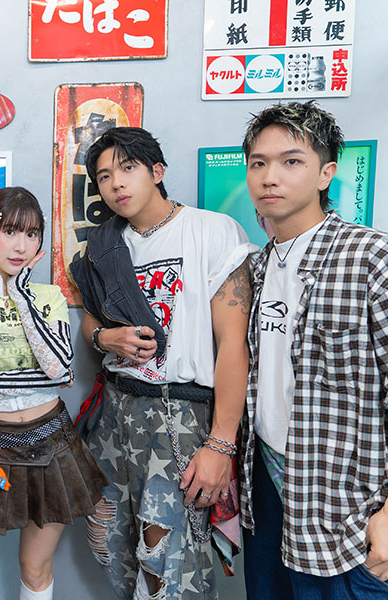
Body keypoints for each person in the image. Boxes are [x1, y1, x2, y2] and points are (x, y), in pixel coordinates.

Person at [70, 126, 252, 599]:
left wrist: (221, 444)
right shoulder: (103, 245)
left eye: (127, 168)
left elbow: (234, 345)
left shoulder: (211, 230)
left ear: (157, 171)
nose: (116, 183)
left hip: (180, 414)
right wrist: (106, 337)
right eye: (104, 176)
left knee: (169, 561)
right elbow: (91, 323)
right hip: (115, 411)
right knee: (111, 544)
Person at [0, 187, 108, 600]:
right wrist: (39, 378)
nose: (21, 246)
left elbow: (59, 368)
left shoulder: (47, 296)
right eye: (10, 232)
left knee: (36, 569)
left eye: (32, 234)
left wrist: (23, 297)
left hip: (53, 444)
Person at [240, 101, 388, 599]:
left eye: (291, 161)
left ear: (326, 173)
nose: (270, 176)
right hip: (269, 488)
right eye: (258, 163)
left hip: (347, 509)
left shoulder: (370, 257)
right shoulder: (256, 269)